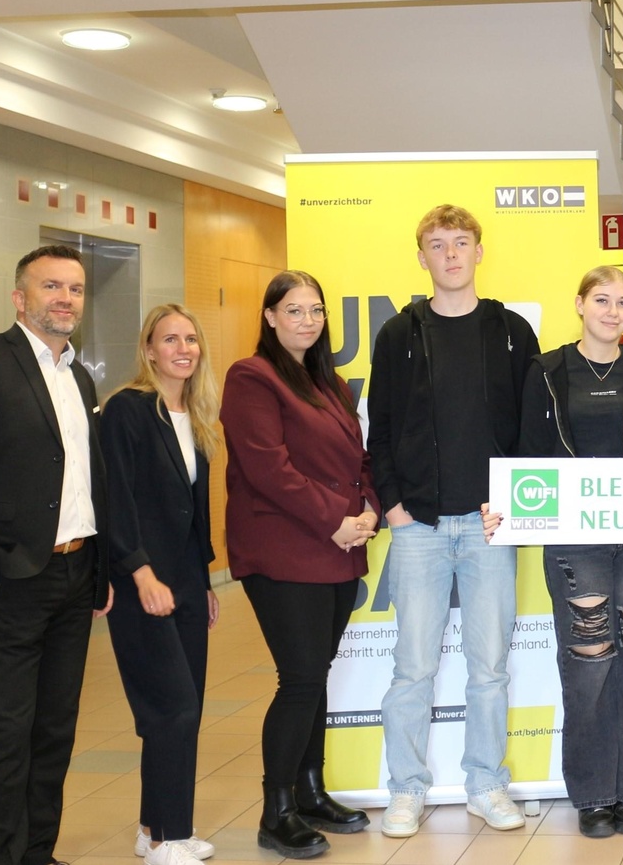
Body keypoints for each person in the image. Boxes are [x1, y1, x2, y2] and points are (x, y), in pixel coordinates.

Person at [0, 244, 110, 865]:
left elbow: (88, 479)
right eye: (51, 287)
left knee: (56, 729)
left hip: (76, 571)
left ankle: (39, 852)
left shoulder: (80, 376)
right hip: (12, 579)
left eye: (76, 289)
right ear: (20, 297)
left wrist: (101, 566)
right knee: (9, 730)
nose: (65, 298)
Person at [368, 205, 539, 836]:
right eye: (437, 245)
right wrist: (393, 507)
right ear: (422, 258)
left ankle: (486, 784)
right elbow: (378, 428)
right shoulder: (399, 334)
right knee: (413, 667)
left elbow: (533, 428)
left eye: (460, 243)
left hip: (491, 525)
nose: (450, 255)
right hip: (418, 527)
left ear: (478, 251)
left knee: (489, 666)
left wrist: (516, 501)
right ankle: (406, 789)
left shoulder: (512, 332)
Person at [515, 265, 623, 839]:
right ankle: (592, 795)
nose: (614, 312)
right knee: (589, 664)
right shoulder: (546, 371)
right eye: (603, 300)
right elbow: (529, 454)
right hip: (575, 539)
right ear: (581, 305)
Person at [222, 270, 378, 858]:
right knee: (301, 679)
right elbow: (269, 468)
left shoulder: (329, 382)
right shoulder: (252, 378)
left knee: (316, 677)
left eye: (315, 311)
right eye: (293, 310)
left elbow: (359, 458)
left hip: (338, 549)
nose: (306, 321)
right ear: (269, 316)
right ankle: (276, 809)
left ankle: (312, 792)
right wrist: (334, 520)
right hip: (283, 550)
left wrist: (367, 511)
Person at [102, 305, 222, 865]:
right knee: (170, 707)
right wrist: (139, 572)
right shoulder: (128, 410)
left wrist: (205, 580)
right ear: (148, 350)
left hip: (188, 584)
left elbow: (192, 511)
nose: (183, 348)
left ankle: (158, 827)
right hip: (143, 582)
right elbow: (116, 498)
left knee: (185, 708)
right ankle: (167, 840)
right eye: (170, 339)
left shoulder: (193, 415)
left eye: (191, 339)